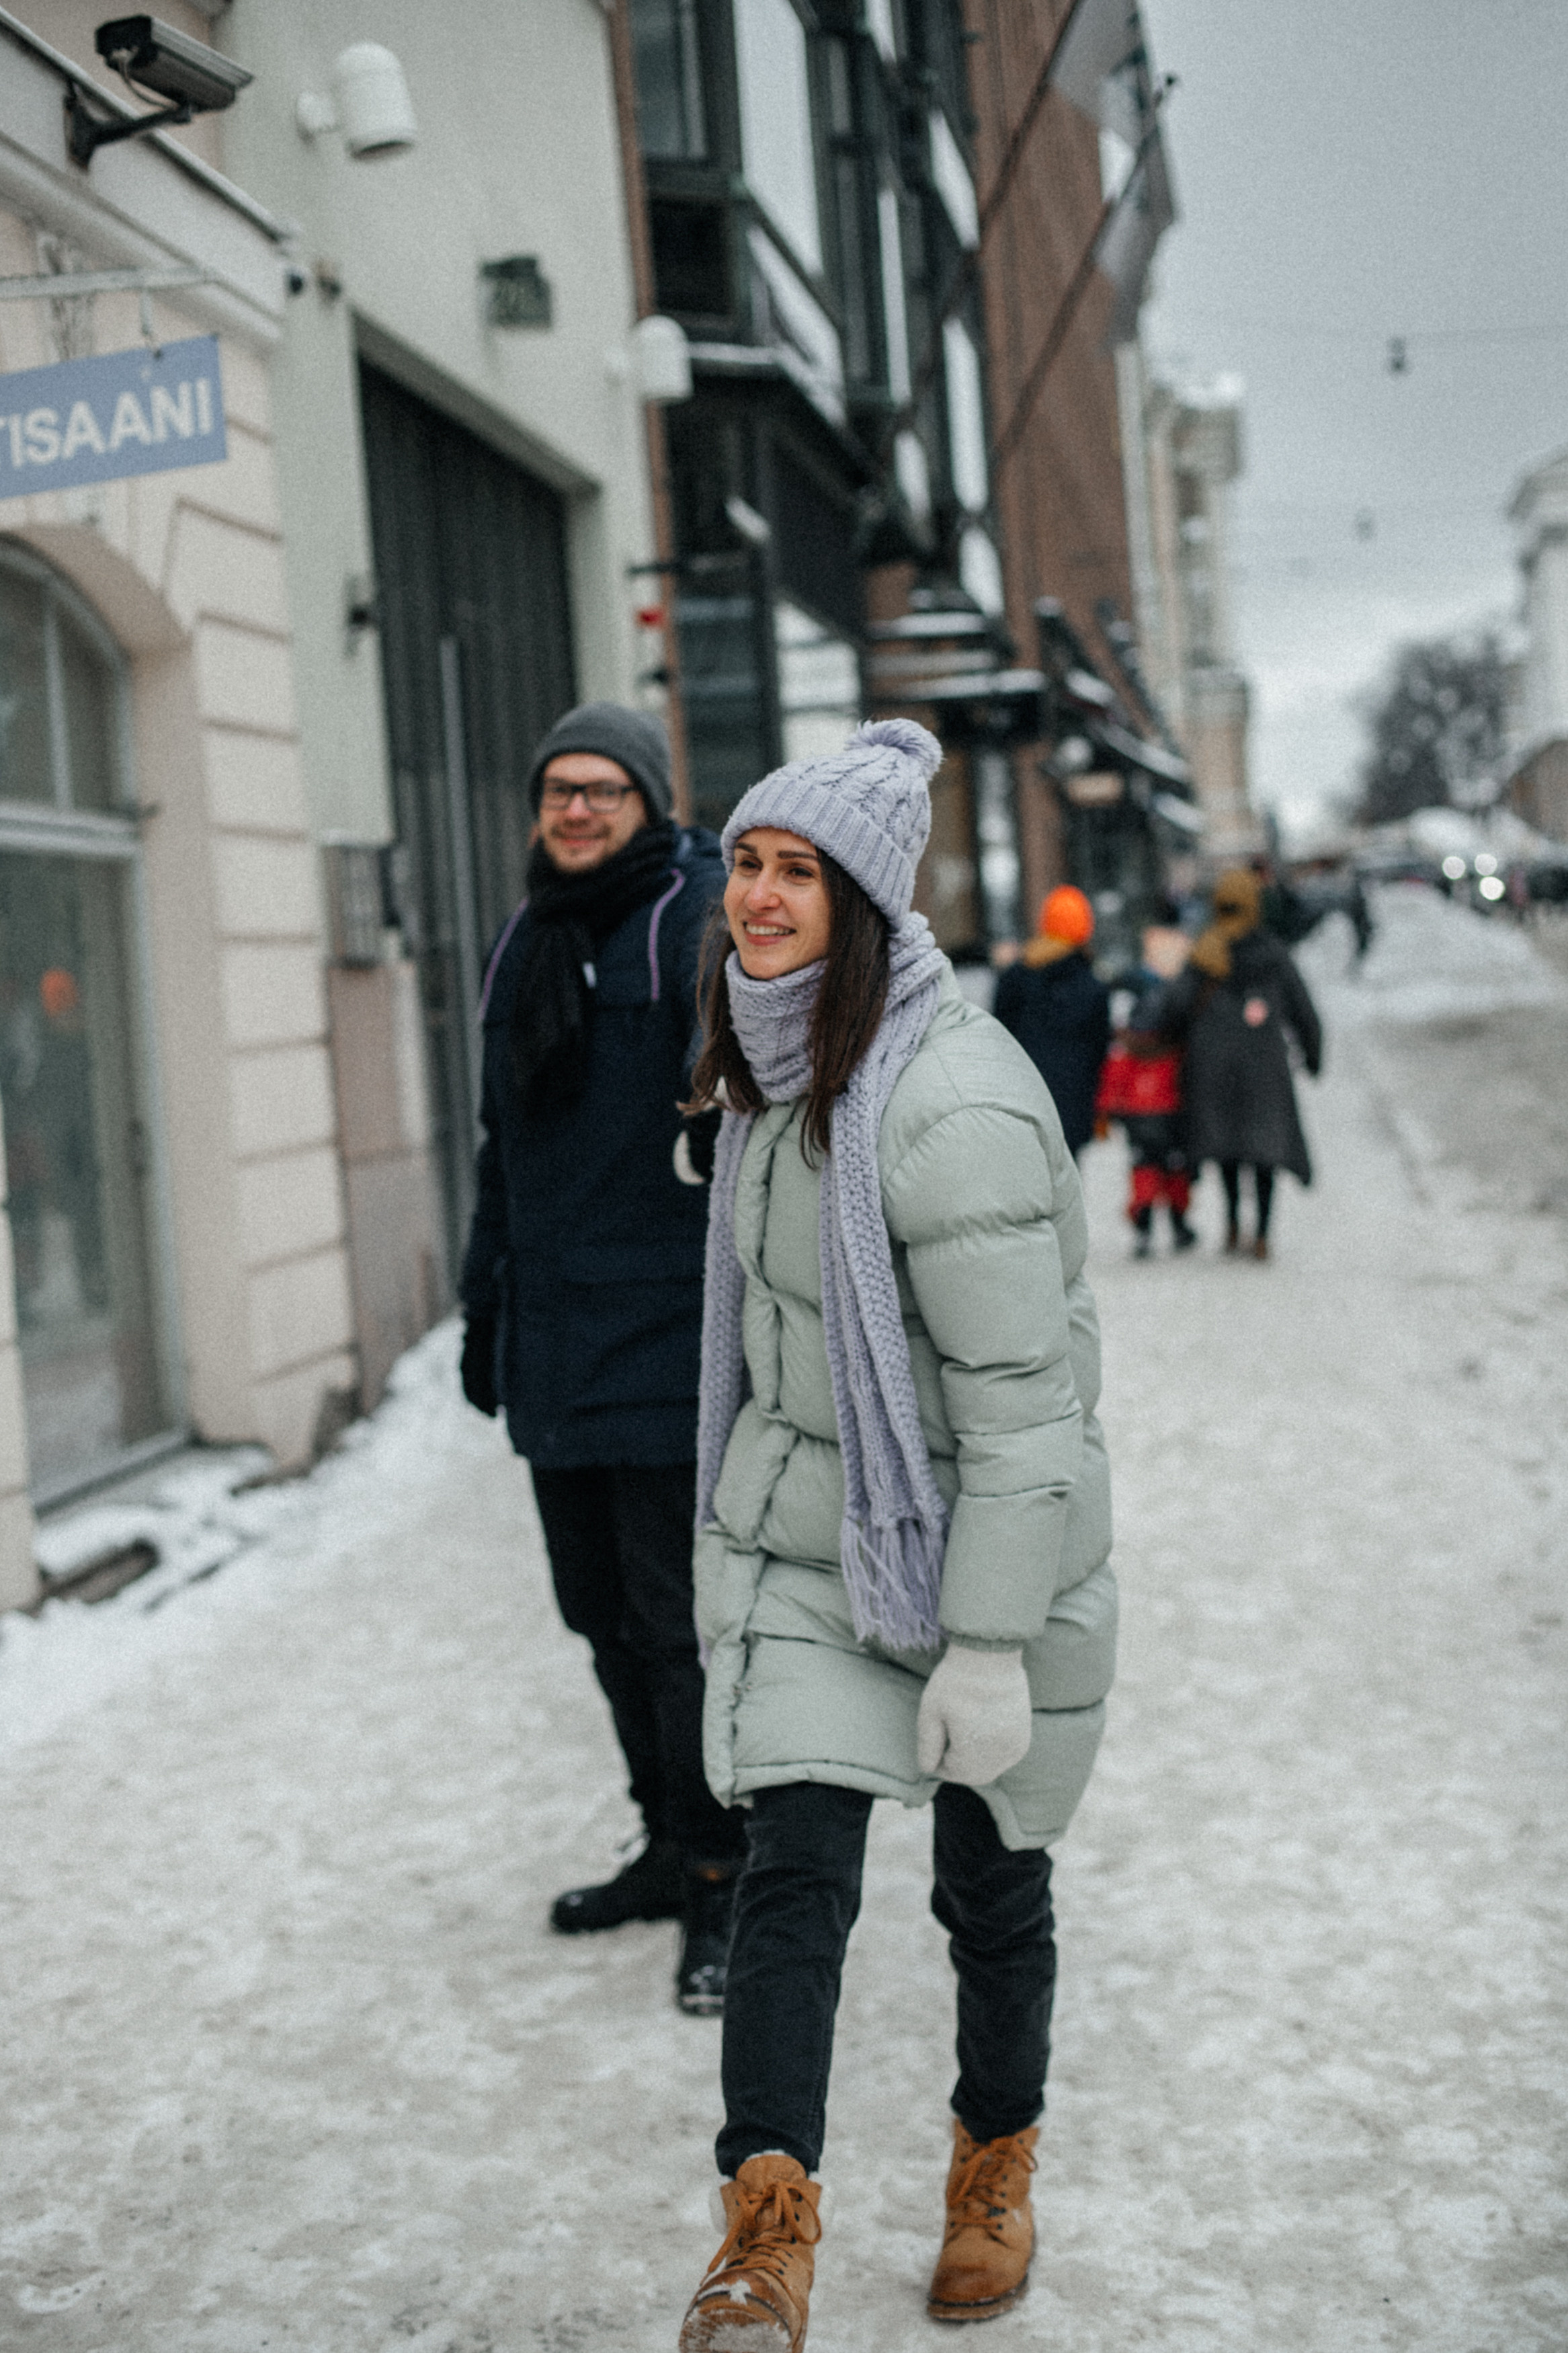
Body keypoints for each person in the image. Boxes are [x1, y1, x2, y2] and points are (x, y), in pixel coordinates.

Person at [675, 718, 1115, 2348]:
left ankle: (991, 2169)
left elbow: (1023, 1422)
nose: (762, 896)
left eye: (798, 871)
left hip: (992, 1546)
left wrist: (992, 1642)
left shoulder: (954, 1109)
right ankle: (762, 2231)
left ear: (861, 903)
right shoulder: (767, 1077)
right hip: (818, 1539)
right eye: (746, 862)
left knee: (988, 1893)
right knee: (791, 1874)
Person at [458, 701, 746, 2014]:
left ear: (648, 801)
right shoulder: (527, 934)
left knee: (676, 1628)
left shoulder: (688, 922)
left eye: (601, 790)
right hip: (557, 1346)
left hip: (664, 1342)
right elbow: (497, 1152)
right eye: (556, 789)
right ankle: (661, 1838)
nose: (574, 811)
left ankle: (720, 1879)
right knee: (597, 1618)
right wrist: (484, 1309)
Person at [1157, 867, 1323, 1261]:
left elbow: (1175, 1007)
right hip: (1264, 1068)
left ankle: (1232, 1225)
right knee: (1263, 1151)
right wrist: (1313, 1054)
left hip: (1212, 1069)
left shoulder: (1206, 951)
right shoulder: (1272, 952)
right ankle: (1262, 1234)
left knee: (1228, 1150)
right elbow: (1303, 1009)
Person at [1096, 903, 1196, 1257]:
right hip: (1170, 1107)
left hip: (1138, 1112)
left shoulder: (1128, 1050)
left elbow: (1113, 1076)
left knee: (1143, 1168)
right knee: (1175, 1168)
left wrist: (1105, 1113)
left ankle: (1144, 1228)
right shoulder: (1176, 1048)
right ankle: (1180, 1225)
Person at [991, 885, 1111, 1156]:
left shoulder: (1016, 977)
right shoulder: (1092, 985)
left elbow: (999, 1035)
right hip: (1074, 1098)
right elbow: (1099, 1047)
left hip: (1025, 1094)